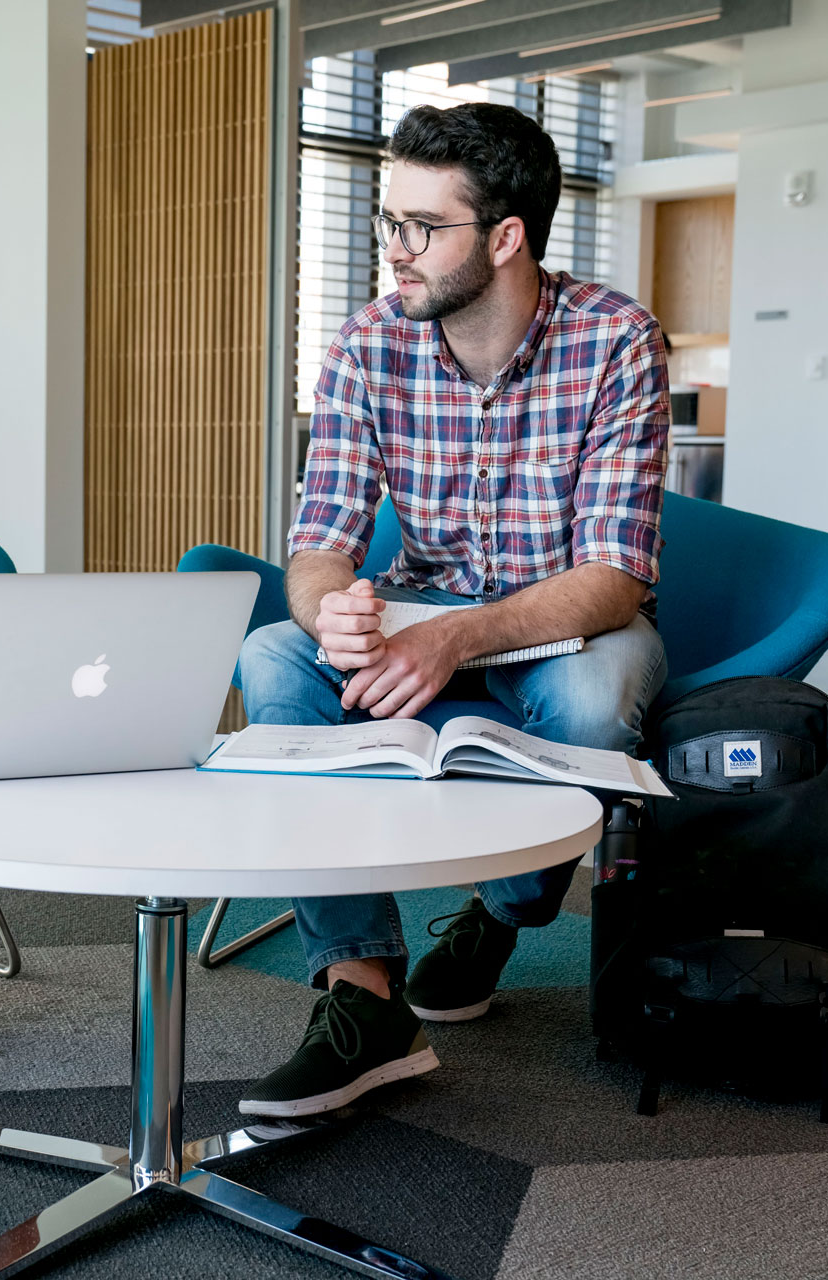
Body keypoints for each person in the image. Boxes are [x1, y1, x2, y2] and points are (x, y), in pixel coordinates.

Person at [236, 102, 669, 1118]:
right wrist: (331, 609)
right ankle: (364, 991)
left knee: (598, 692)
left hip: (568, 618)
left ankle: (502, 909)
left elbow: (615, 574)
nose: (394, 250)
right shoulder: (367, 343)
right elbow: (319, 543)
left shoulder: (616, 340)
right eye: (389, 222)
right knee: (270, 656)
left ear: (508, 236)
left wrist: (454, 635)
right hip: (423, 602)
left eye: (421, 228)